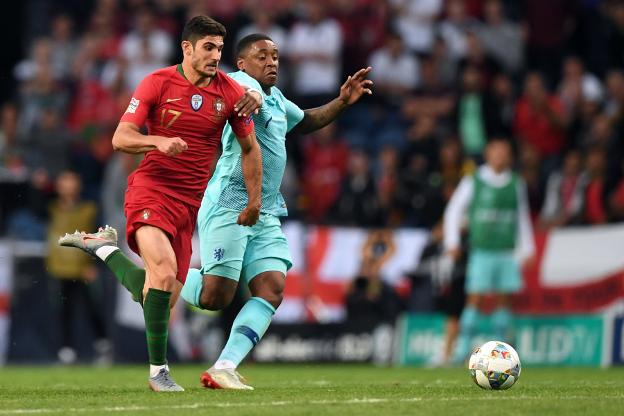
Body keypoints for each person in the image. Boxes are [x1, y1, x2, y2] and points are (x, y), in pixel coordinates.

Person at [58, 16, 263, 392]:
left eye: (220, 48)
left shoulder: (230, 93)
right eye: (208, 47)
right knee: (165, 273)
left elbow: (250, 148)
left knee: (161, 298)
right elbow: (121, 137)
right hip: (150, 189)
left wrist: (253, 200)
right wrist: (158, 142)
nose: (216, 55)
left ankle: (105, 250)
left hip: (190, 206)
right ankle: (159, 373)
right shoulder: (156, 82)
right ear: (187, 47)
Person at [178, 34, 372, 389]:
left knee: (271, 289)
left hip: (265, 210)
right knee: (214, 297)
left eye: (276, 56)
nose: (272, 62)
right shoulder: (238, 82)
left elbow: (308, 120)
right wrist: (249, 95)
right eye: (262, 56)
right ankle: (162, 279)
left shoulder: (278, 99)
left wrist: (342, 102)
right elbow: (242, 95)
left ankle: (224, 366)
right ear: (242, 63)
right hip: (230, 205)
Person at [444, 139, 535, 363]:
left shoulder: (515, 182)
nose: (501, 156)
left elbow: (521, 216)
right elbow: (454, 210)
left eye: (505, 152)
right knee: (475, 298)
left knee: (504, 300)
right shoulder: (474, 180)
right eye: (497, 151)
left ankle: (503, 352)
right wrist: (452, 242)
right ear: (488, 154)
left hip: (506, 250)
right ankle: (462, 349)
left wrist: (528, 248)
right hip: (482, 250)